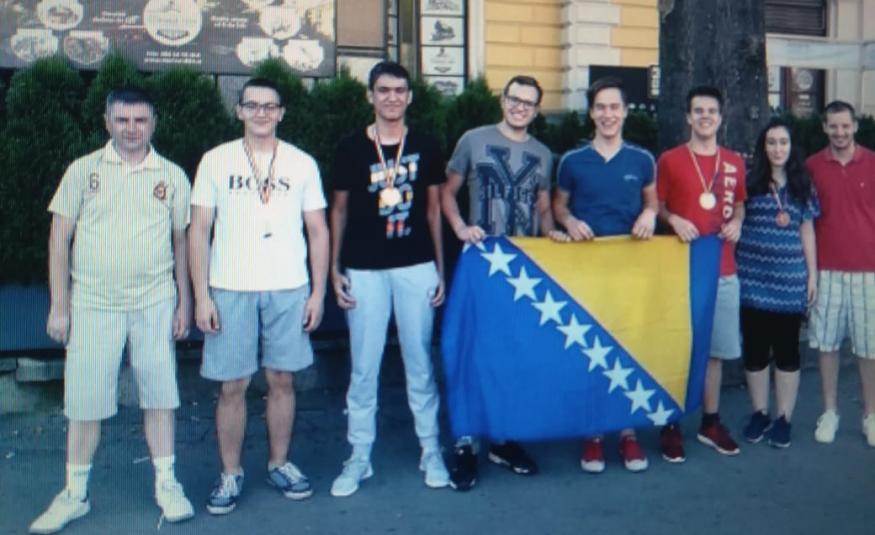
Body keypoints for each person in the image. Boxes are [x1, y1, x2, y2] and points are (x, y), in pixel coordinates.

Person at [31, 87, 194, 534]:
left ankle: (167, 483)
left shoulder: (172, 176)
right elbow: (58, 239)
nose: (132, 129)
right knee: (84, 401)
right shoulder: (82, 171)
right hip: (92, 302)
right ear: (107, 122)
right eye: (122, 120)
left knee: (159, 394)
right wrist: (59, 306)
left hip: (154, 301)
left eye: (140, 120)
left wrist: (184, 301)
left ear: (153, 122)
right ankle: (74, 494)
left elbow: (182, 242)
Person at [189, 77, 330, 514]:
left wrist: (318, 292)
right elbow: (199, 230)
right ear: (239, 111)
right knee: (232, 384)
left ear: (281, 112)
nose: (261, 113)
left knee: (282, 379)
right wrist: (201, 296)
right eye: (252, 105)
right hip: (231, 285)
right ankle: (230, 473)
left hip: (288, 285)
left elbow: (318, 230)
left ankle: (279, 463)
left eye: (270, 106)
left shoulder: (302, 162)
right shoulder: (216, 160)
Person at [328, 61, 449, 497]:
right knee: (364, 366)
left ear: (409, 96)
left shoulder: (426, 144)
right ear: (371, 96)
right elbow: (338, 211)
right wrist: (334, 268)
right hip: (364, 268)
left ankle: (430, 450)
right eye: (383, 90)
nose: (392, 97)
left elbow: (434, 211)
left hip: (416, 266)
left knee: (420, 363)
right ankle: (359, 456)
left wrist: (440, 270)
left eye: (399, 90)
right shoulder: (350, 147)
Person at [441, 74, 563, 490]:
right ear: (502, 100)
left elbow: (543, 209)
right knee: (470, 353)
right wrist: (460, 226)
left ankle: (503, 439)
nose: (519, 107)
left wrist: (553, 236)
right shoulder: (473, 140)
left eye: (528, 103)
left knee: (512, 353)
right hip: (480, 263)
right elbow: (447, 192)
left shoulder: (542, 154)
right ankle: (465, 442)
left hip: (521, 270)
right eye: (514, 99)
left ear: (536, 109)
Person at [552, 77, 657, 473]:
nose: (608, 114)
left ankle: (627, 433)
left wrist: (649, 215)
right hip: (587, 272)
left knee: (629, 348)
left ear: (625, 112)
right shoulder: (572, 161)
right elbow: (559, 206)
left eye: (615, 107)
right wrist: (570, 221)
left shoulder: (642, 160)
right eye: (601, 107)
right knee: (592, 349)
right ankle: (593, 433)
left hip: (631, 270)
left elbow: (652, 202)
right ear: (591, 113)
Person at [656, 85, 746, 461]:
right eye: (698, 111)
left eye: (711, 111)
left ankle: (710, 422)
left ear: (720, 118)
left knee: (715, 352)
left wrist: (737, 222)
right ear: (688, 117)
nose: (705, 116)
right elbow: (657, 205)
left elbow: (739, 205)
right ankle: (670, 424)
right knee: (678, 348)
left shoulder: (734, 162)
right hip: (680, 269)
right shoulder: (670, 159)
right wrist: (673, 219)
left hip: (723, 268)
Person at [736, 118, 819, 448]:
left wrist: (812, 274)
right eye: (771, 142)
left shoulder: (803, 185)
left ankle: (784, 418)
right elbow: (737, 220)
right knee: (755, 351)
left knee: (787, 352)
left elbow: (807, 230)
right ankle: (759, 412)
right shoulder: (749, 182)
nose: (777, 148)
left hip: (789, 282)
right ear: (763, 147)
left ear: (791, 146)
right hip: (752, 281)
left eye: (783, 142)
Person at [806, 100, 875, 447]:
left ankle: (871, 415)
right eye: (833, 126)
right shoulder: (812, 167)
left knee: (870, 348)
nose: (840, 132)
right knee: (827, 345)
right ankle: (830, 412)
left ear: (855, 126)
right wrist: (810, 274)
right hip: (827, 270)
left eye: (845, 125)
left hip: (869, 271)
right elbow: (806, 220)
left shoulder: (873, 163)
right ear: (824, 127)